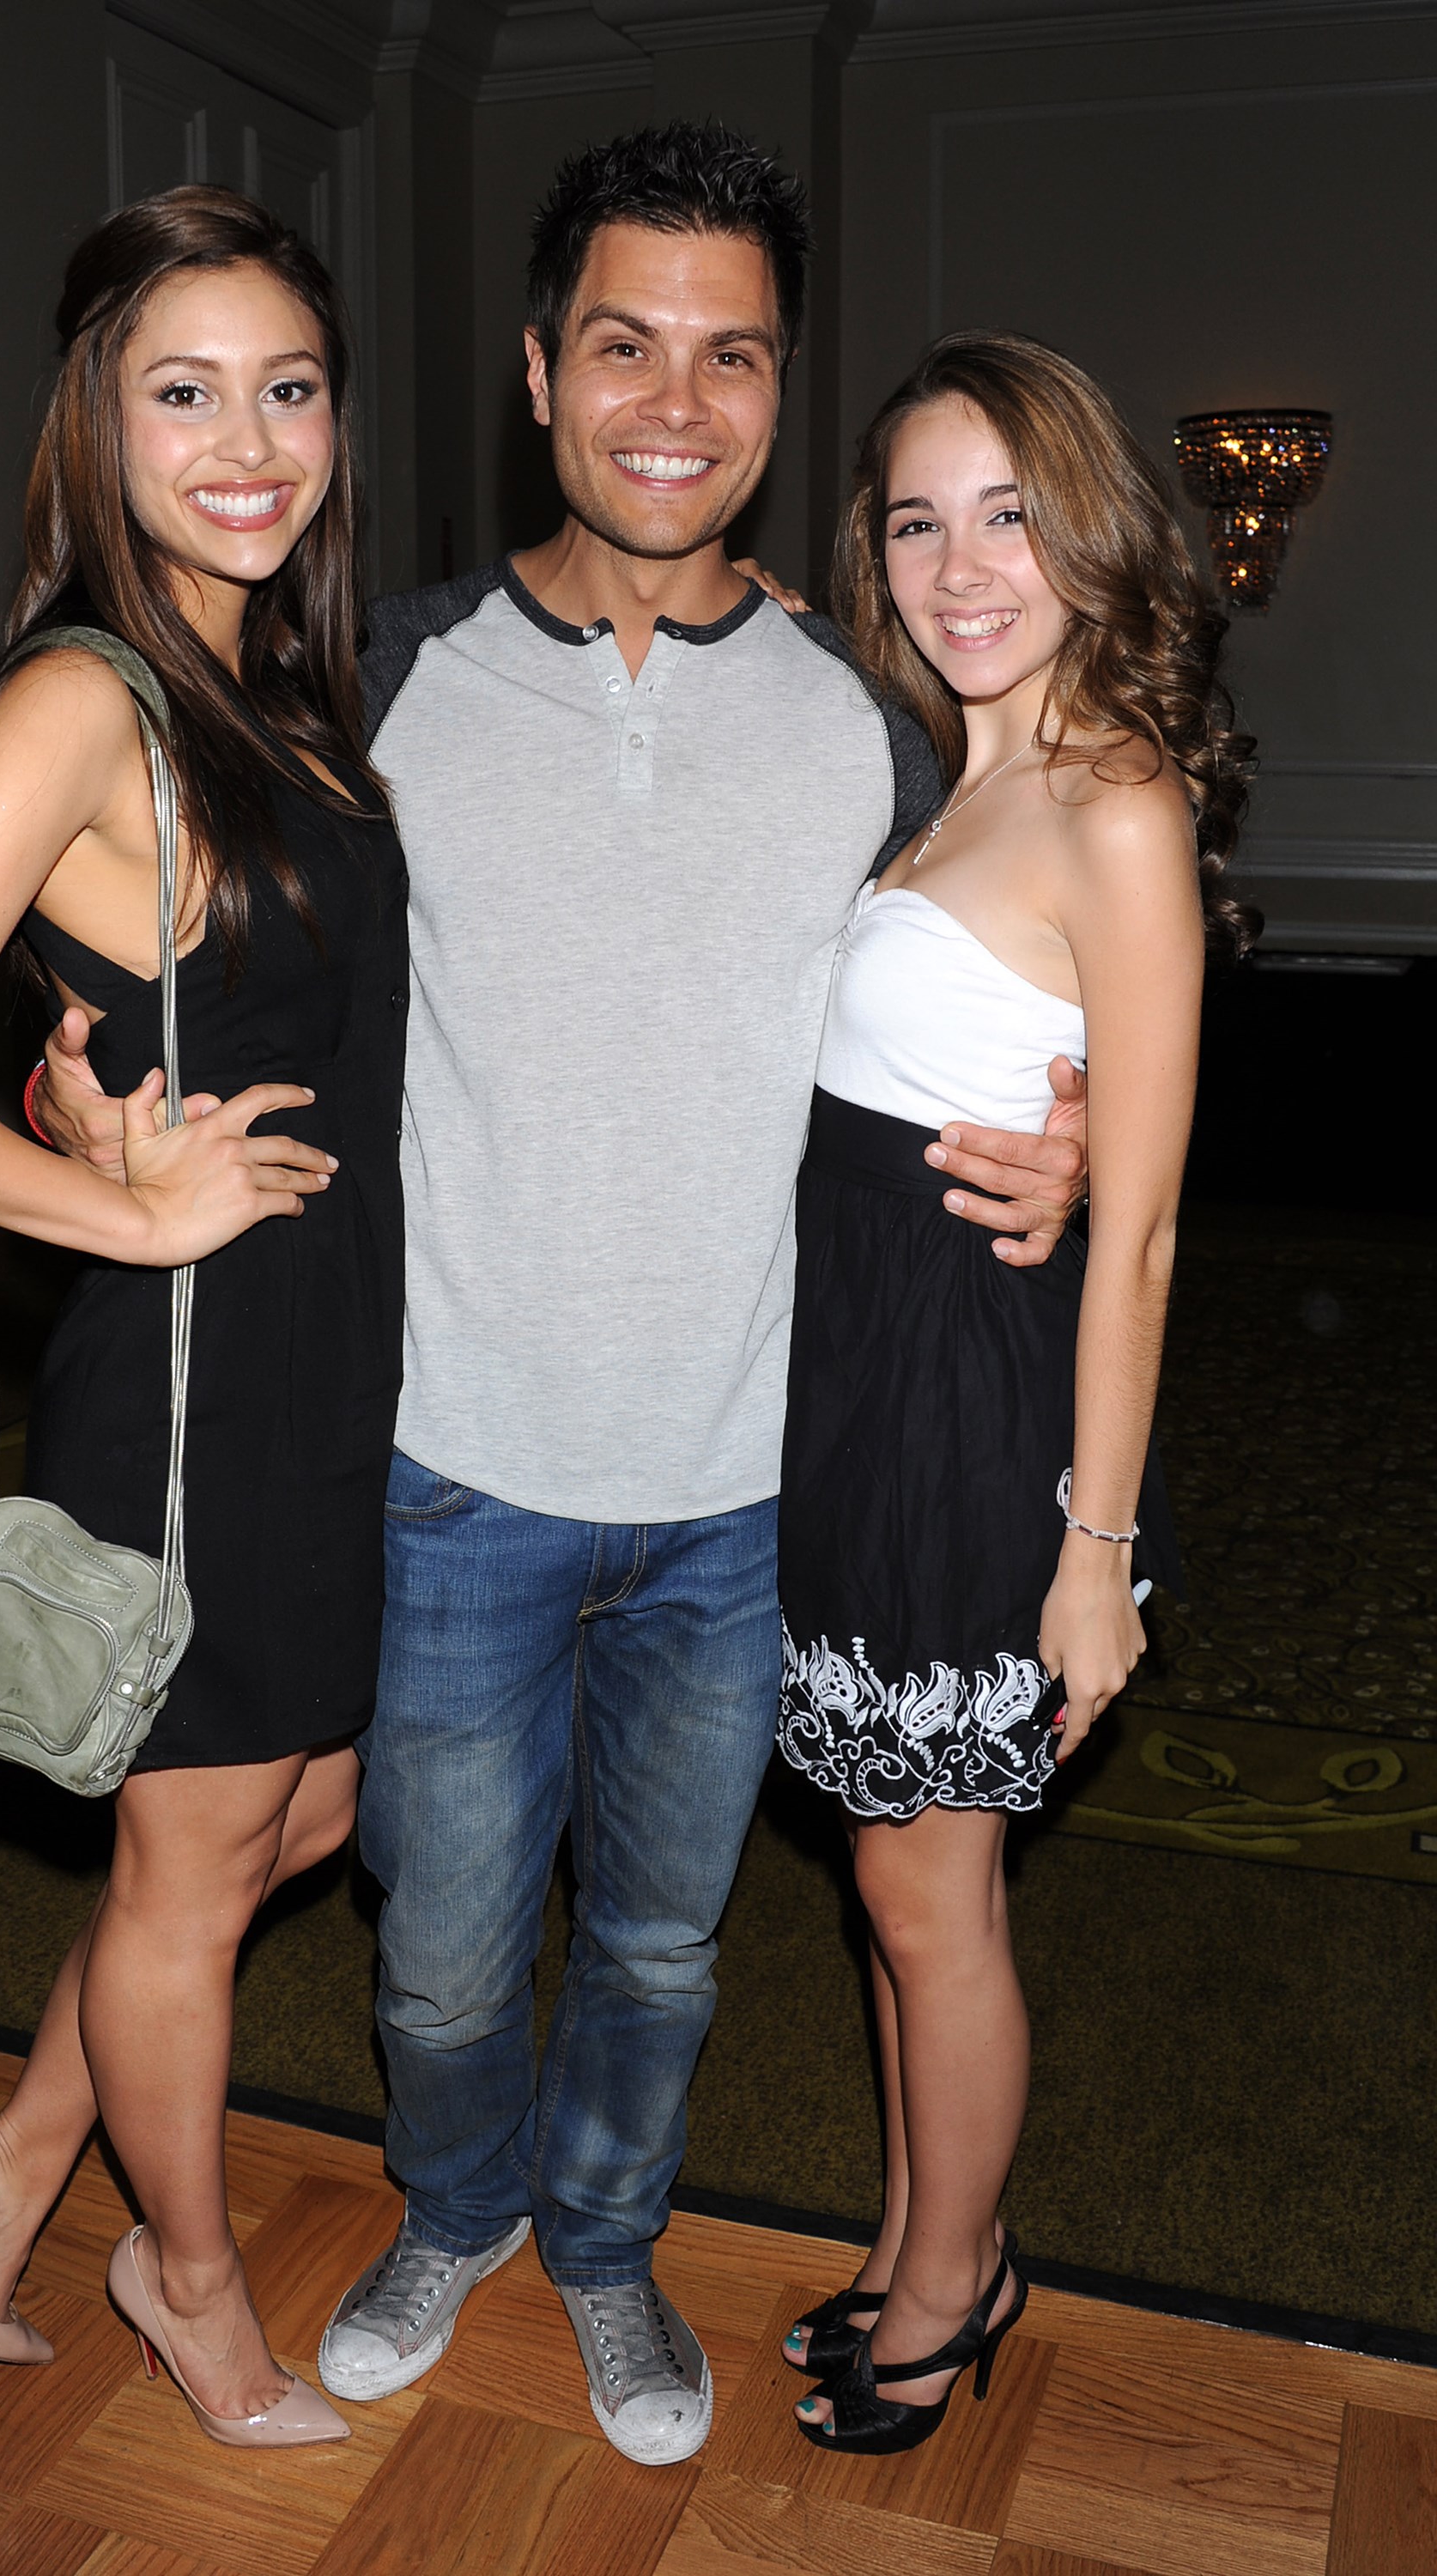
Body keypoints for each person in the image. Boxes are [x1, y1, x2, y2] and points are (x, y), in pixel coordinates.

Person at [39, 125, 1089, 2468]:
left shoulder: (874, 714)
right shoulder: (371, 679)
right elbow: (172, 931)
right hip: (445, 1464)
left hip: (747, 1485)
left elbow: (1017, 956)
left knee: (659, 1945)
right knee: (434, 1945)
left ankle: (606, 2248)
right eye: (625, 344)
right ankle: (455, 2212)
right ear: (536, 372)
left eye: (734, 356)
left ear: (782, 389)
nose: (676, 403)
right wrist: (73, 1087)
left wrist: (1084, 1114)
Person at [0, 187, 406, 2449]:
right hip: (201, 1384)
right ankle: (190, 2285)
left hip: (327, 1356)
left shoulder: (273, 688)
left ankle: (16, 2150)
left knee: (295, 1819)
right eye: (184, 393)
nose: (247, 443)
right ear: (97, 425)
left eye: (288, 388)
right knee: (196, 1870)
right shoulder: (82, 696)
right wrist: (115, 1218)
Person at [776, 331, 1256, 2453]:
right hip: (858, 1390)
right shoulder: (933, 778)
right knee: (888, 1882)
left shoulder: (1109, 803)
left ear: (1084, 539)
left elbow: (1135, 1231)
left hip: (973, 1420)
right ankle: (911, 2236)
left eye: (1006, 516)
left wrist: (1092, 1555)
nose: (960, 566)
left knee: (927, 1893)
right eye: (916, 521)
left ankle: (950, 2290)